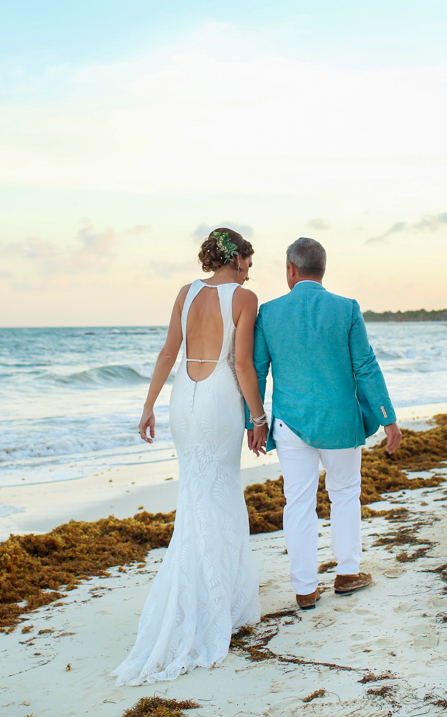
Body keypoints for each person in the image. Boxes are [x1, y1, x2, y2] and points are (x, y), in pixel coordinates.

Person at [112, 228, 266, 686]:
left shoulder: (186, 292)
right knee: (220, 493)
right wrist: (258, 417)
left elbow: (167, 352)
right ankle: (221, 603)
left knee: (196, 494)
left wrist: (148, 406)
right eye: (249, 261)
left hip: (184, 400)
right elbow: (241, 365)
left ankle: (199, 595)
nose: (250, 269)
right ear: (236, 258)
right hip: (220, 400)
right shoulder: (244, 297)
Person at [251, 237, 402, 610]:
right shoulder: (346, 308)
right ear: (323, 269)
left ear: (290, 269)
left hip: (290, 424)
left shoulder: (268, 313)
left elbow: (257, 372)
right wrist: (388, 419)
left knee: (298, 502)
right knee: (345, 494)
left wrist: (253, 422)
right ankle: (347, 573)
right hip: (340, 422)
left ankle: (304, 589)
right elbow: (365, 365)